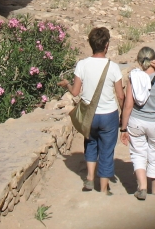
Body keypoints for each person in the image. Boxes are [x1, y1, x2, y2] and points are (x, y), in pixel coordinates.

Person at [58, 27, 123, 194]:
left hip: (90, 114)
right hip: (109, 115)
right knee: (107, 151)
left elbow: (75, 92)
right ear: (106, 45)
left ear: (91, 44)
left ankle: (89, 179)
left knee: (91, 144)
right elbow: (120, 95)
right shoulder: (113, 67)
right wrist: (124, 115)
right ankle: (103, 188)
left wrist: (67, 85)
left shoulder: (82, 65)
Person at [120, 47, 155, 200]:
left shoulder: (134, 78)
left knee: (138, 153)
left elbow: (128, 105)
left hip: (136, 122)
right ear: (154, 60)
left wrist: (123, 128)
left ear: (139, 62)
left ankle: (142, 187)